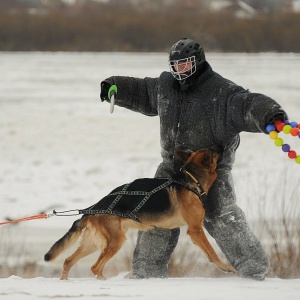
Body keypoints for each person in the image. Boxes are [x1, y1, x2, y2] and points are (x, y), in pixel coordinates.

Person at [99, 38, 287, 280]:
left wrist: (269, 115)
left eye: (185, 65)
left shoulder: (223, 92)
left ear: (197, 62)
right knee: (155, 217)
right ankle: (146, 276)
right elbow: (143, 91)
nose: (180, 71)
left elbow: (247, 104)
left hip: (208, 172)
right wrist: (114, 86)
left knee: (221, 216)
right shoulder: (166, 86)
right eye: (175, 66)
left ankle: (254, 273)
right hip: (172, 169)